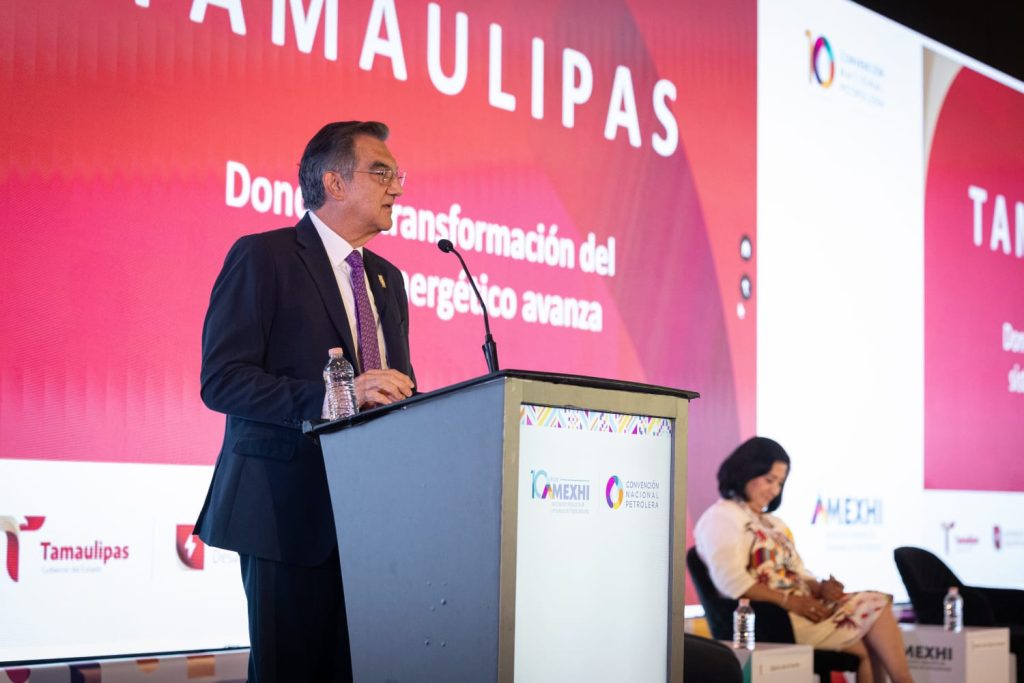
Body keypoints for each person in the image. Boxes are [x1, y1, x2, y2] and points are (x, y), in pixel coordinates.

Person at [194, 121, 416, 682]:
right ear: (334, 182)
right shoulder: (264, 257)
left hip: (371, 519)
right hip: (285, 512)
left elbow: (397, 384)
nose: (397, 187)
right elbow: (223, 380)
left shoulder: (387, 279)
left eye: (398, 175)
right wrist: (337, 394)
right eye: (382, 172)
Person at [694, 437, 913, 683]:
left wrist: (821, 588)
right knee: (875, 605)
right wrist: (789, 602)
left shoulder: (774, 523)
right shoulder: (721, 517)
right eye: (769, 480)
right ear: (746, 471)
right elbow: (732, 583)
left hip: (803, 610)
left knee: (867, 642)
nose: (775, 490)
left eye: (780, 483)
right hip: (772, 620)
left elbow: (798, 572)